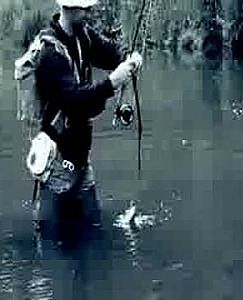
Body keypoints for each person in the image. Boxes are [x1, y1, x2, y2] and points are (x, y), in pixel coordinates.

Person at [34, 0, 142, 245]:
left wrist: (130, 60)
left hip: (82, 160)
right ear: (69, 9)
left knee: (93, 231)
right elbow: (75, 100)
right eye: (85, 8)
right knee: (51, 241)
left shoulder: (84, 35)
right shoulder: (50, 54)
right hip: (57, 165)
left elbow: (113, 52)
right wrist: (112, 82)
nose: (90, 12)